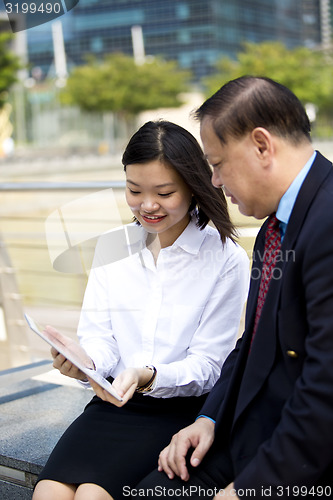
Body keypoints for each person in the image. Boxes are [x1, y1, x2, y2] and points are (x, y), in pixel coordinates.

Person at [135, 77, 333, 499]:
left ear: (262, 146)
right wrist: (209, 418)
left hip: (300, 461)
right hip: (248, 433)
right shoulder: (274, 229)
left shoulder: (327, 224)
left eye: (218, 163)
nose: (216, 181)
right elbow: (253, 343)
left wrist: (249, 488)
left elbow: (326, 390)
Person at [32, 120, 249, 500]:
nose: (147, 205)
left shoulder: (224, 257)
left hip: (181, 411)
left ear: (193, 188)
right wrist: (86, 361)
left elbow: (210, 366)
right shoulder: (113, 246)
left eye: (164, 193)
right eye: (134, 190)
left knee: (92, 496)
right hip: (114, 406)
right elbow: (101, 338)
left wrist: (148, 375)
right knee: (48, 492)